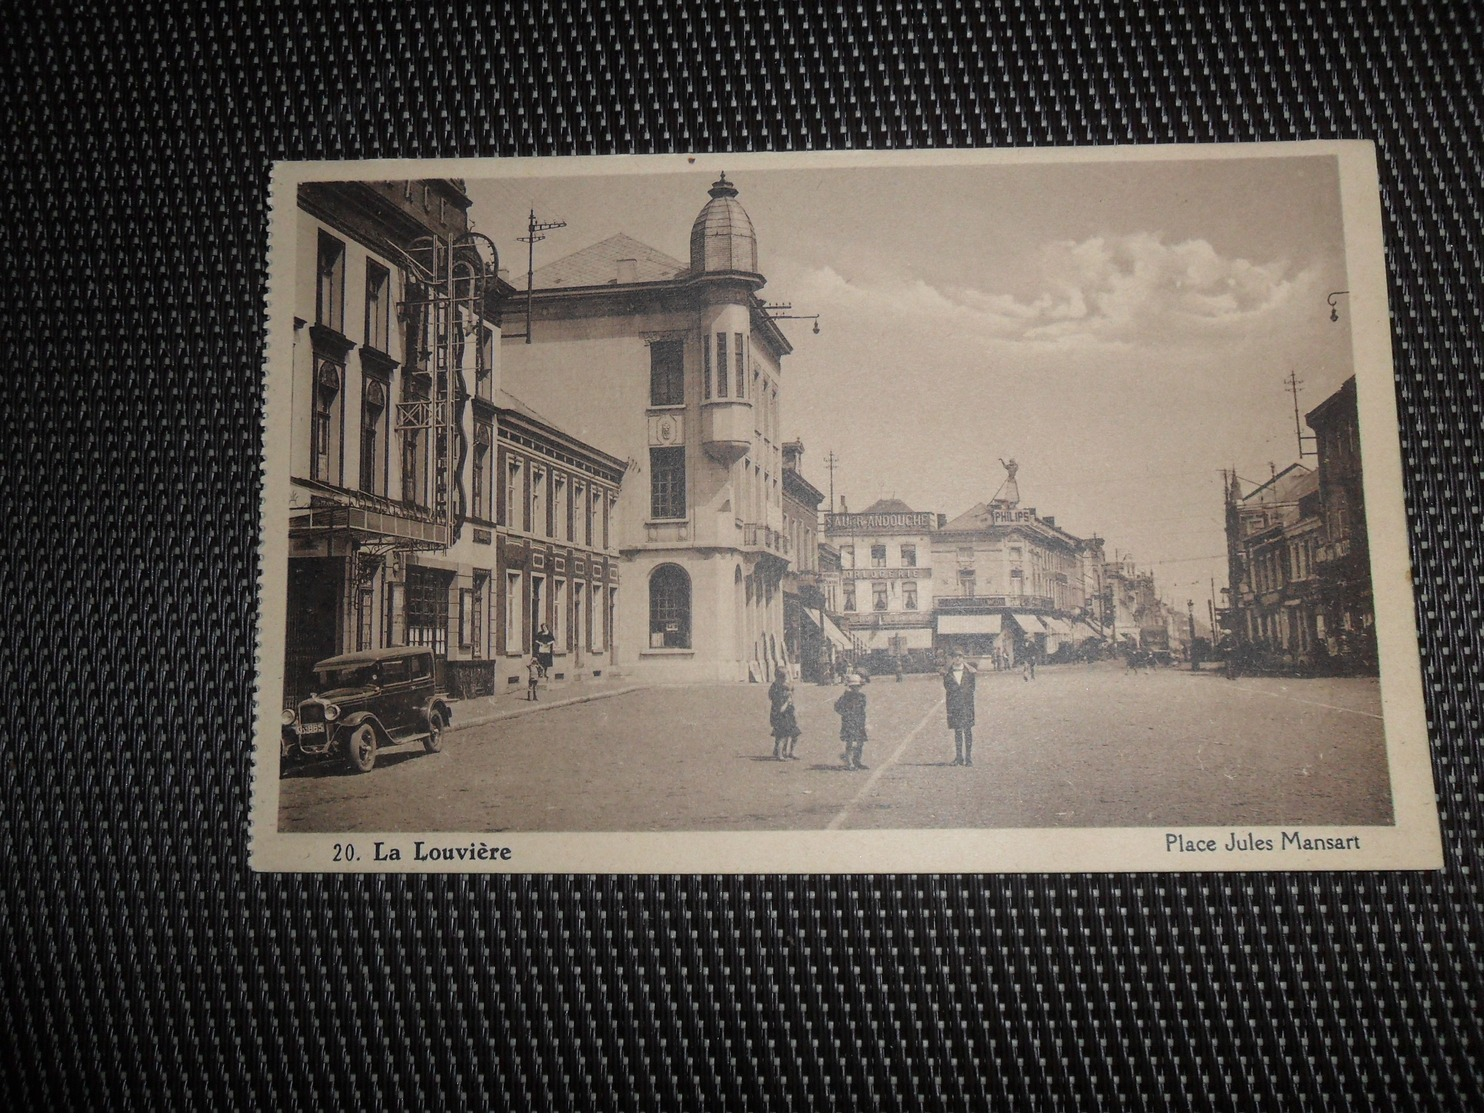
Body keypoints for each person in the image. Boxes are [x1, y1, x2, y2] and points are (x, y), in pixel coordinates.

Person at [942, 652, 978, 766]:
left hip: (967, 705)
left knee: (967, 730)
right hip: (954, 705)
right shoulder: (948, 673)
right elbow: (947, 686)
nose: (958, 658)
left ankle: (968, 758)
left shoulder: (969, 672)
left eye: (960, 656)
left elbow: (972, 687)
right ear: (952, 659)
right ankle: (959, 757)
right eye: (955, 656)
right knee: (957, 731)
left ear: (963, 658)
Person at [834, 673, 869, 770]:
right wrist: (845, 714)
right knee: (850, 742)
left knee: (860, 742)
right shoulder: (845, 697)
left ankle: (857, 761)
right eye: (853, 687)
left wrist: (864, 721)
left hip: (859, 721)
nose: (855, 688)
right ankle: (849, 763)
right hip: (849, 721)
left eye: (857, 686)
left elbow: (862, 709)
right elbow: (837, 707)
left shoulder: (862, 696)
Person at [768, 668, 801, 760]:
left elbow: (791, 698)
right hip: (781, 716)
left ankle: (791, 752)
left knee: (795, 734)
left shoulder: (785, 686)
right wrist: (787, 701)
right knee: (782, 736)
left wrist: (793, 707)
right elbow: (780, 709)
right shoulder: (776, 689)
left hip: (789, 715)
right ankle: (780, 754)